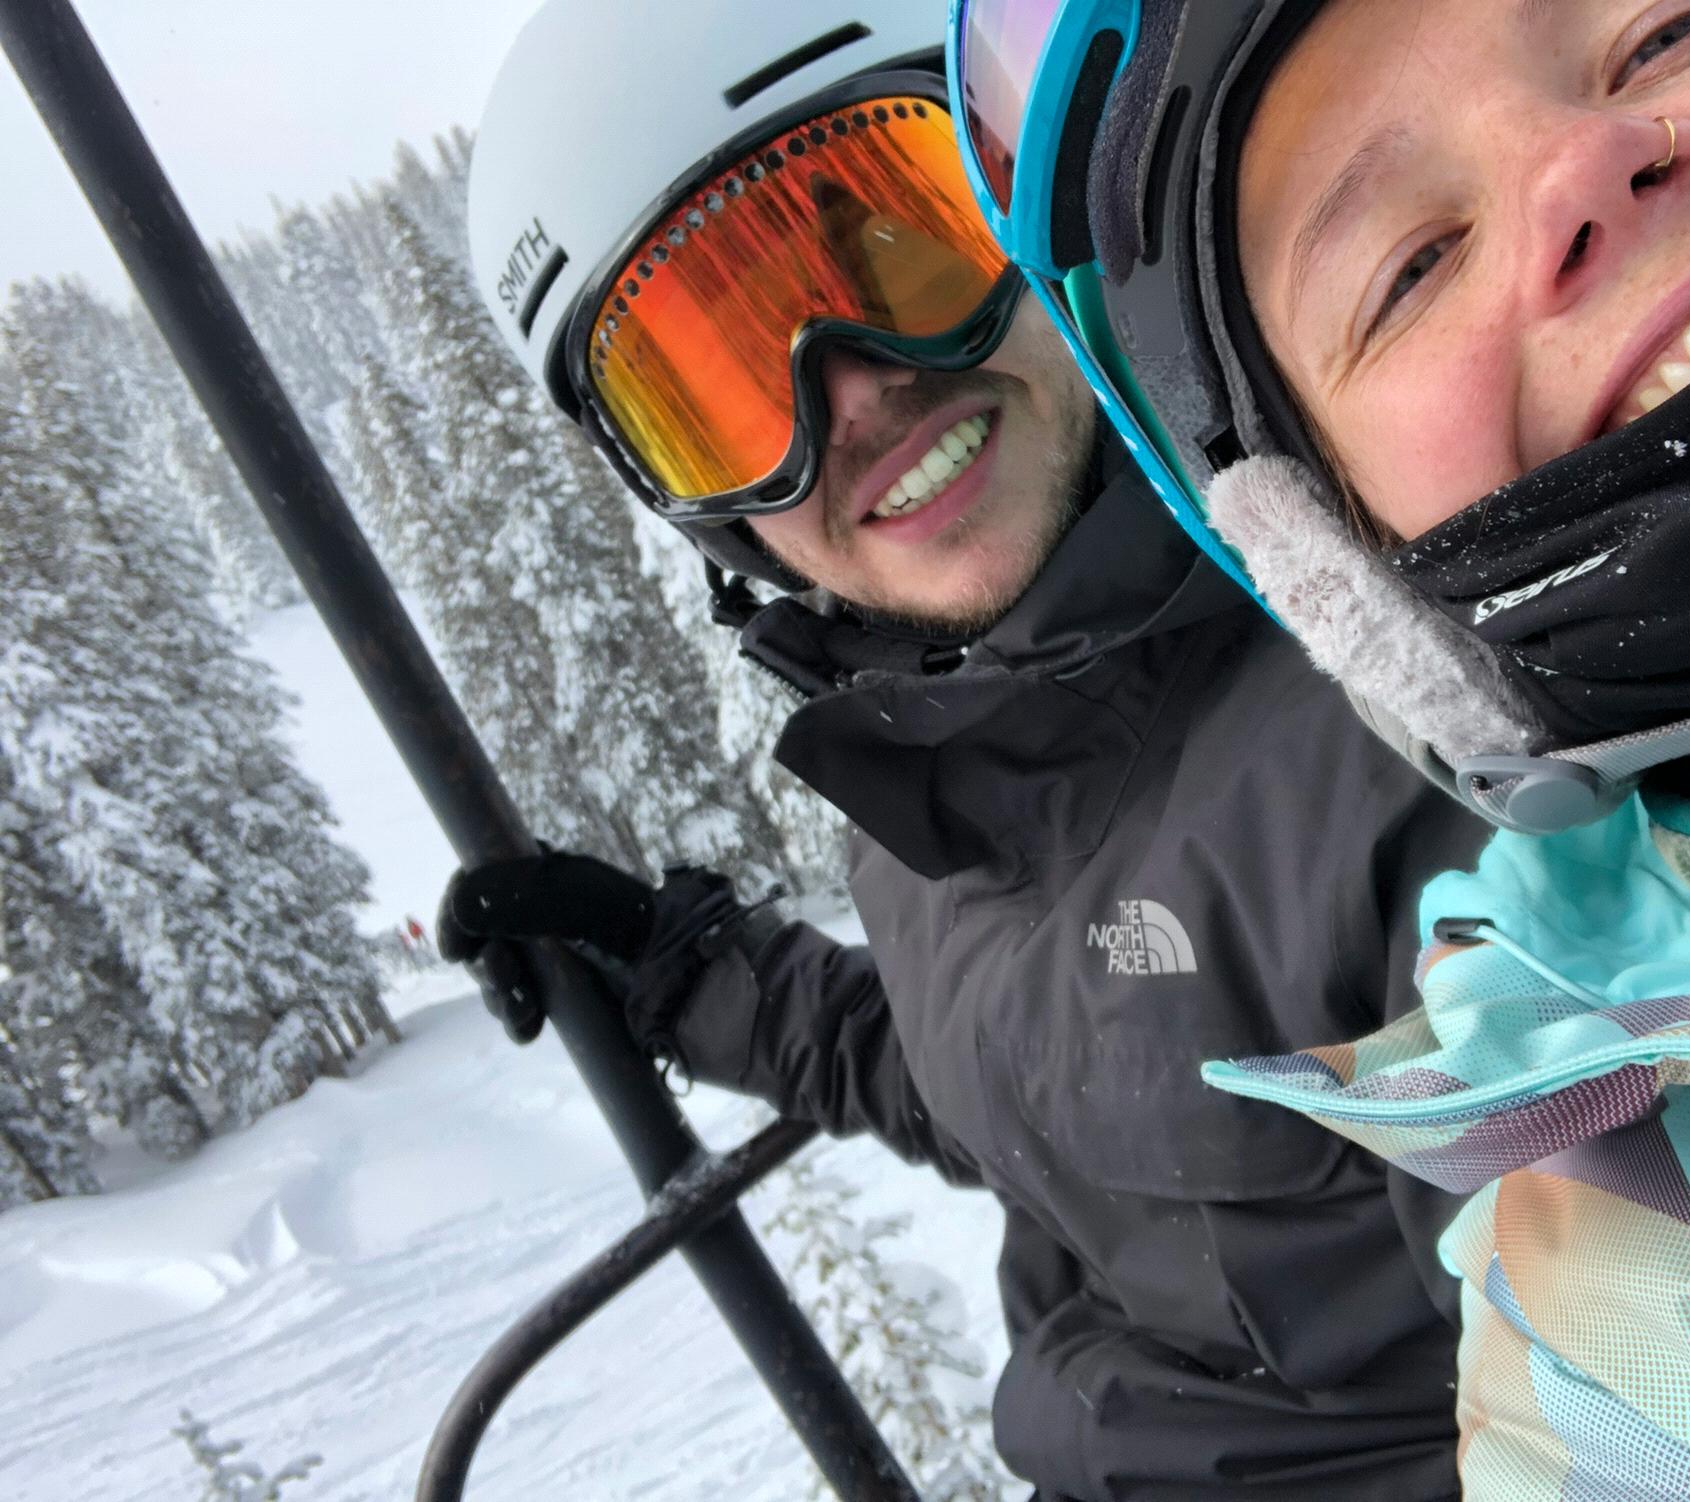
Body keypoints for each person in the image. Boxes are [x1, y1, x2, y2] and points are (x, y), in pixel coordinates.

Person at [444, 2, 1490, 1496]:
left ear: (1024, 194)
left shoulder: (1411, 734)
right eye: (735, 385)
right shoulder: (938, 774)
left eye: (896, 243)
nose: (857, 393)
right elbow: (1017, 1076)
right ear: (702, 510)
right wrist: (688, 972)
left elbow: (1649, 1382)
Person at [958, 0, 1690, 1495]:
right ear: (1349, 571)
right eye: (1411, 266)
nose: (1583, 167)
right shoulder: (1631, 1331)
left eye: (1672, 25)